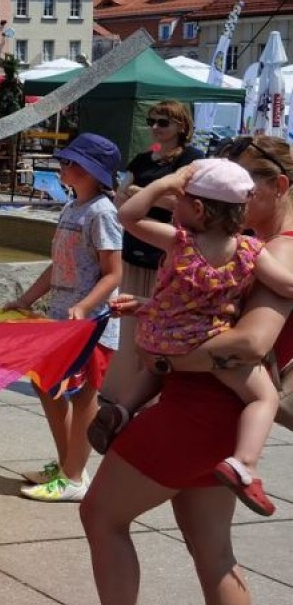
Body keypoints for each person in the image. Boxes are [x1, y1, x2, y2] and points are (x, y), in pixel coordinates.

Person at [63, 133, 293, 605]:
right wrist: (159, 317)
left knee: (101, 516)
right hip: (217, 417)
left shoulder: (280, 250)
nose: (237, 192)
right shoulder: (252, 245)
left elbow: (251, 343)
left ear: (279, 187)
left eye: (247, 179)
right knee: (214, 553)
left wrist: (166, 358)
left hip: (200, 410)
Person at [98, 159, 289, 514]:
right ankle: (244, 463)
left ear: (197, 208)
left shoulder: (178, 242)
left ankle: (123, 410)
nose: (175, 205)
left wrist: (165, 182)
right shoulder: (251, 251)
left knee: (154, 371)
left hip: (158, 336)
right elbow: (287, 285)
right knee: (264, 398)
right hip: (207, 343)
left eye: (179, 199)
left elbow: (128, 215)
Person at [3, 133, 124, 502]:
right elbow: (59, 266)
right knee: (48, 387)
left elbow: (114, 273)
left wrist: (86, 306)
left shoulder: (103, 212)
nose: (62, 166)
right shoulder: (72, 208)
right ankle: (68, 464)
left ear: (89, 170)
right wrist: (26, 299)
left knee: (82, 397)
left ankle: (73, 478)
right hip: (61, 320)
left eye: (69, 162)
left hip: (92, 325)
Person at [106, 100, 202, 406]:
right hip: (135, 250)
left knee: (158, 323)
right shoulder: (142, 159)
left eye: (164, 122)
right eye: (153, 121)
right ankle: (121, 392)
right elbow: (120, 199)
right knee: (129, 326)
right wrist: (150, 196)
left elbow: (184, 206)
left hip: (166, 254)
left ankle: (151, 396)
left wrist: (140, 195)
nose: (156, 127)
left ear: (181, 126)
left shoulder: (193, 160)